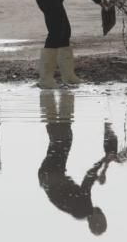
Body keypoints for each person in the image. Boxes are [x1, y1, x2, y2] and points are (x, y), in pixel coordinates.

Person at [38, 90, 109, 236]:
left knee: (62, 140)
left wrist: (104, 160)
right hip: (48, 176)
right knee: (61, 140)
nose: (102, 211)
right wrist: (99, 173)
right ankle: (57, 101)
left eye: (103, 216)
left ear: (98, 220)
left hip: (52, 175)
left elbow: (88, 177)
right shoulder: (80, 211)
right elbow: (88, 181)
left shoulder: (84, 209)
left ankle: (52, 98)